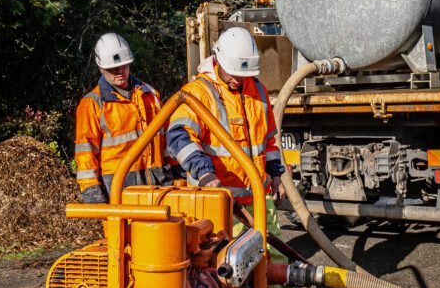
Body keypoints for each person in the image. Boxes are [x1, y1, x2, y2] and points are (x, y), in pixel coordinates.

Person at [167, 26, 286, 259]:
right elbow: (179, 136)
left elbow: (268, 140)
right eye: (232, 73)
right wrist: (205, 174)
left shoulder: (257, 91)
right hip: (220, 204)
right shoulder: (198, 93)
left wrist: (276, 175)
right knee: (232, 268)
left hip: (258, 199)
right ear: (218, 60)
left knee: (274, 260)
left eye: (242, 75)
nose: (236, 80)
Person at [75, 32, 172, 203]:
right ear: (101, 67)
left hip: (159, 189)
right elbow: (85, 153)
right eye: (113, 69)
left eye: (124, 66)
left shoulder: (150, 94)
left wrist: (178, 176)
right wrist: (92, 194)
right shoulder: (93, 104)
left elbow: (166, 142)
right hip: (119, 194)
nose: (119, 72)